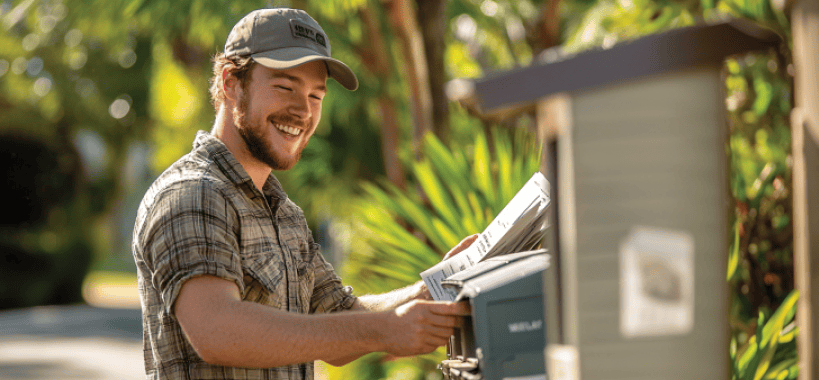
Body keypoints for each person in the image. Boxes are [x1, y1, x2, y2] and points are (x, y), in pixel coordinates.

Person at [132, 8, 478, 380]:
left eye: (315, 96)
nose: (303, 111)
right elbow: (217, 329)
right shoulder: (192, 194)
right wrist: (383, 330)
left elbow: (338, 315)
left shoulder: (285, 213)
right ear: (231, 83)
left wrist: (434, 289)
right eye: (285, 87)